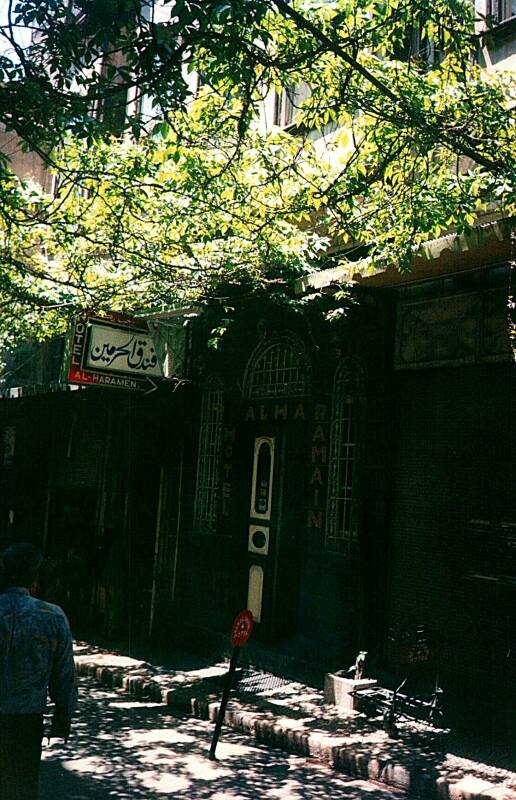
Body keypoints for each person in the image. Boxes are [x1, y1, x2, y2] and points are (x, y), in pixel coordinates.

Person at [0, 542, 77, 800]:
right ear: (35, 576)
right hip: (26, 721)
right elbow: (64, 677)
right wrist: (61, 721)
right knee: (21, 786)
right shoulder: (52, 616)